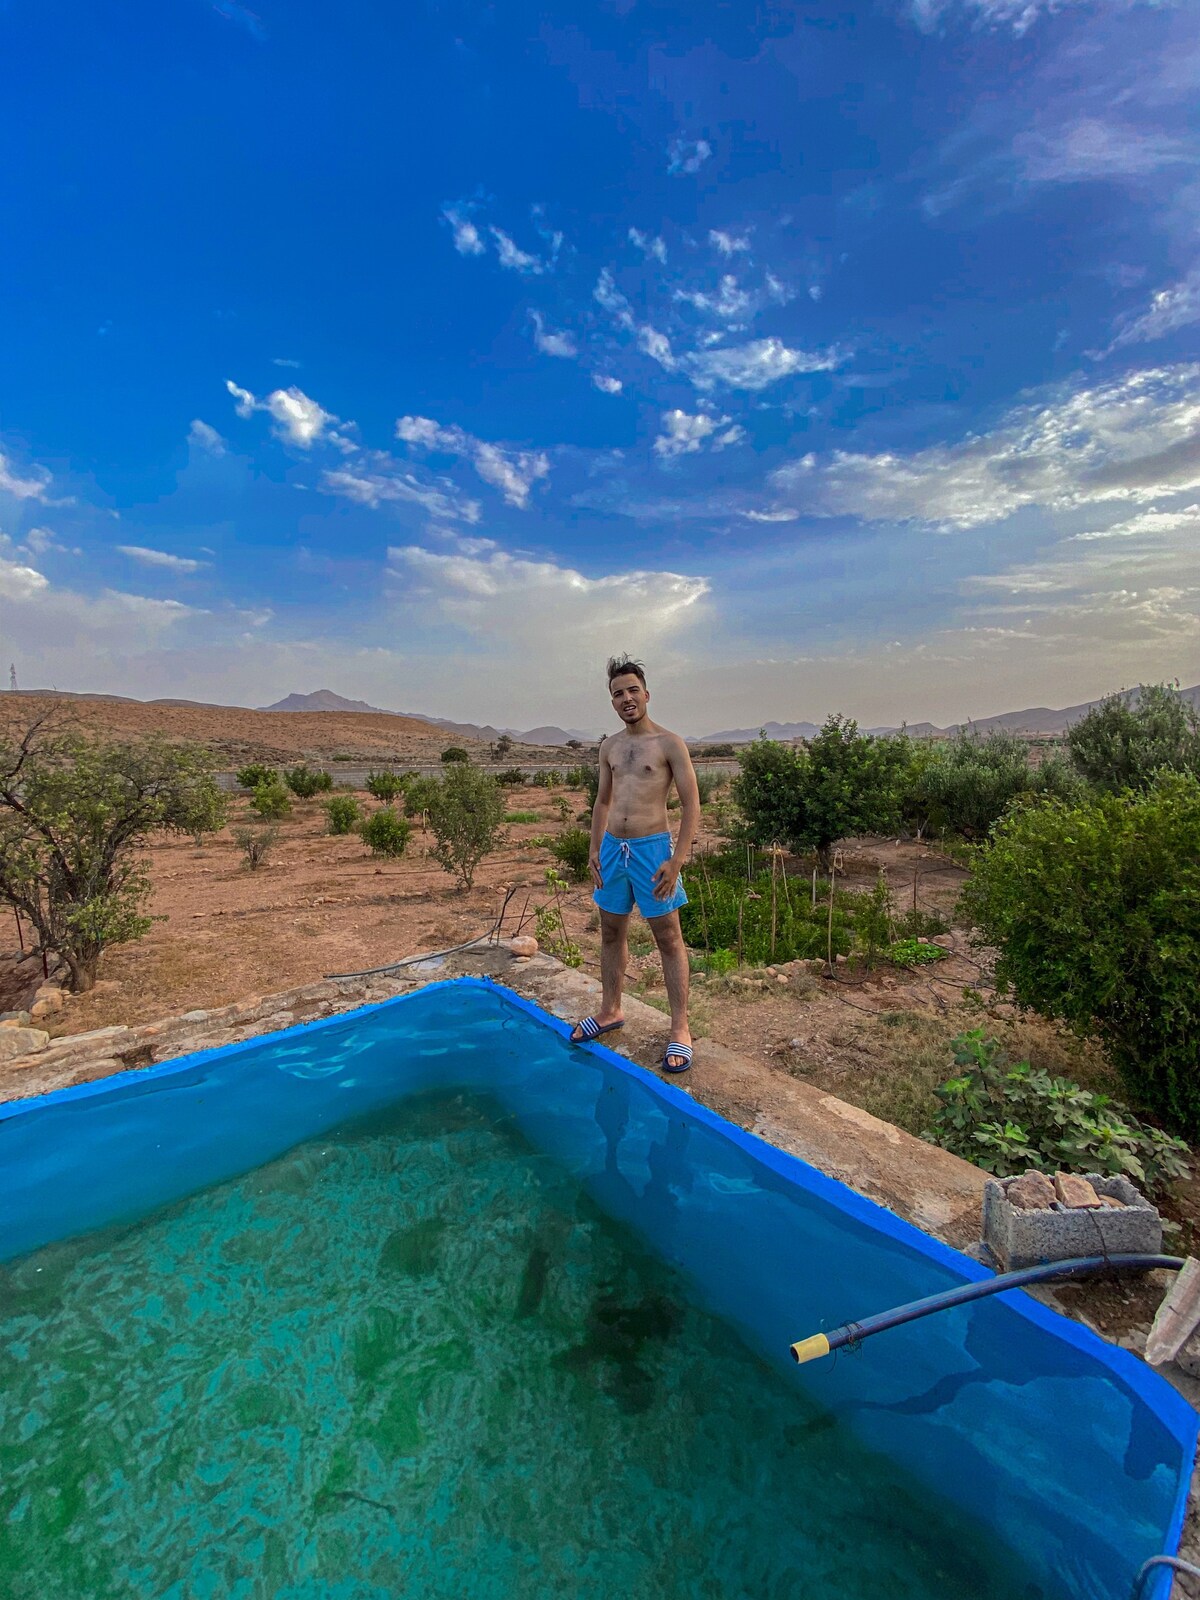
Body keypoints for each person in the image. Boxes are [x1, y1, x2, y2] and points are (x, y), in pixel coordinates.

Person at [569, 656, 701, 1073]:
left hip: (651, 849)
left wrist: (677, 859)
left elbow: (692, 804)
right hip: (612, 849)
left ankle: (680, 1028)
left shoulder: (668, 744)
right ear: (612, 702)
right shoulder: (610, 746)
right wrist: (593, 848)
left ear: (646, 694)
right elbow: (602, 801)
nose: (626, 699)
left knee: (668, 936)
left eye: (632, 691)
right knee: (611, 931)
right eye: (617, 694)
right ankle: (610, 1011)